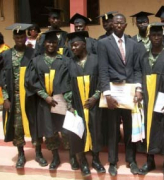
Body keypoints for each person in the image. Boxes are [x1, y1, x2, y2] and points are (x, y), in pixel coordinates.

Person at [25, 30, 79, 171]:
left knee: (67, 130)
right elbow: (31, 81)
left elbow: (70, 81)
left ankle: (72, 157)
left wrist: (67, 100)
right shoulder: (36, 61)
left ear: (57, 44)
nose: (51, 44)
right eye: (48, 42)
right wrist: (45, 96)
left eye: (54, 42)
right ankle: (55, 157)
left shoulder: (65, 60)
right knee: (50, 131)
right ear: (43, 43)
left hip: (62, 101)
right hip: (45, 103)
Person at [55, 31, 105, 177]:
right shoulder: (68, 63)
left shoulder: (96, 60)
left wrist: (96, 97)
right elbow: (64, 84)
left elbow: (103, 79)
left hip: (94, 105)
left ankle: (95, 159)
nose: (73, 48)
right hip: (76, 106)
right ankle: (82, 161)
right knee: (77, 133)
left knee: (95, 131)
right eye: (71, 45)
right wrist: (70, 104)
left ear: (84, 45)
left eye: (76, 44)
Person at [98, 13, 142, 176]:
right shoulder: (103, 44)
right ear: (112, 25)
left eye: (121, 23)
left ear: (125, 25)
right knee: (113, 129)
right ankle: (113, 162)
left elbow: (137, 69)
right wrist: (107, 95)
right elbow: (102, 70)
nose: (118, 25)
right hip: (113, 93)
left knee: (131, 128)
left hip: (129, 92)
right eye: (115, 23)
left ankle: (131, 160)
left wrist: (138, 90)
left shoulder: (133, 44)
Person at [1, 23, 47, 169]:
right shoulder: (6, 55)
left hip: (31, 97)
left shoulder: (33, 53)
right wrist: (5, 98)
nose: (19, 38)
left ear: (25, 37)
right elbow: (1, 77)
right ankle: (21, 154)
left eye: (22, 36)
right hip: (15, 98)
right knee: (17, 127)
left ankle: (39, 153)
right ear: (13, 37)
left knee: (35, 124)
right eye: (17, 36)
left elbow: (39, 74)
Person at [138, 22, 164, 179]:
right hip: (147, 100)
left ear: (163, 37)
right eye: (153, 35)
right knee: (148, 128)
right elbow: (138, 75)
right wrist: (139, 92)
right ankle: (150, 161)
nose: (156, 38)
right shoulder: (143, 56)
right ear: (149, 37)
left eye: (159, 35)